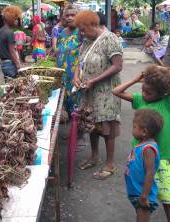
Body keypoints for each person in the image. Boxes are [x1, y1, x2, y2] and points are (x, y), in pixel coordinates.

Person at [112, 65, 170, 222]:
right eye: (143, 90)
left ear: (162, 92)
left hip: (162, 157)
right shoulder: (139, 100)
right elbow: (116, 91)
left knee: (166, 196)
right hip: (141, 156)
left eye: (149, 92)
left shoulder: (168, 103)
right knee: (142, 193)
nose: (144, 94)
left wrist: (166, 71)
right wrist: (136, 79)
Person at [73, 11, 123, 180]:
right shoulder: (87, 41)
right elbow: (80, 61)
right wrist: (76, 77)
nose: (81, 33)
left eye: (83, 29)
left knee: (107, 126)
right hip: (89, 92)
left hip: (107, 91)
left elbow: (117, 66)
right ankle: (94, 157)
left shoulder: (110, 39)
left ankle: (110, 164)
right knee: (91, 124)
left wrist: (94, 80)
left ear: (94, 25)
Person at [125, 109, 163, 222]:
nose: (132, 129)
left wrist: (144, 196)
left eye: (134, 126)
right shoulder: (142, 144)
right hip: (137, 192)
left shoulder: (148, 149)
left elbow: (150, 173)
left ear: (144, 132)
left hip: (142, 194)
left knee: (142, 218)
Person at [56, 5, 83, 116]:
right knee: (63, 99)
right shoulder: (61, 33)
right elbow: (58, 52)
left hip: (76, 75)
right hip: (63, 74)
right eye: (67, 15)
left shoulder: (81, 32)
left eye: (73, 15)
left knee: (76, 103)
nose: (70, 18)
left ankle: (77, 129)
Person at [0, 6, 22, 79]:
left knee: (8, 86)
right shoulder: (9, 32)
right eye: (16, 19)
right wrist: (18, 65)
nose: (17, 21)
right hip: (10, 63)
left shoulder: (0, 31)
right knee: (14, 87)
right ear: (11, 19)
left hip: (4, 63)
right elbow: (12, 51)